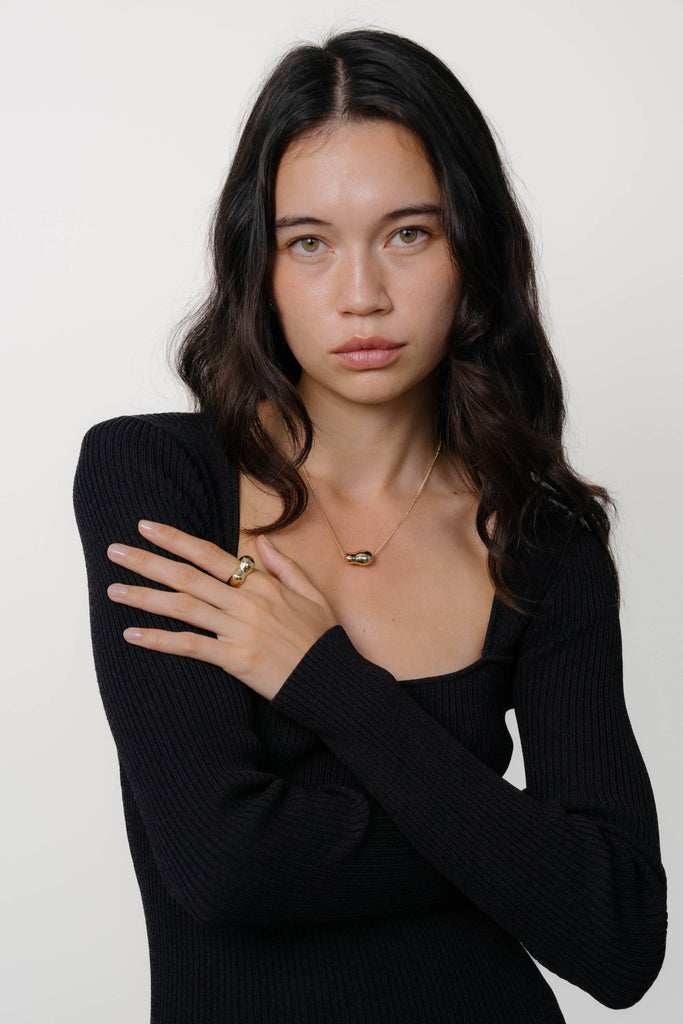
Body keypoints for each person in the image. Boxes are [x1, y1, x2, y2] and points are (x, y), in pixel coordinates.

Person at [73, 28, 667, 1024]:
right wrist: (516, 847)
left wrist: (324, 680)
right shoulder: (159, 480)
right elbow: (220, 862)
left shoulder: (542, 541)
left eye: (408, 234)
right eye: (309, 242)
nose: (362, 297)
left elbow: (618, 934)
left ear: (471, 247)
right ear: (258, 262)